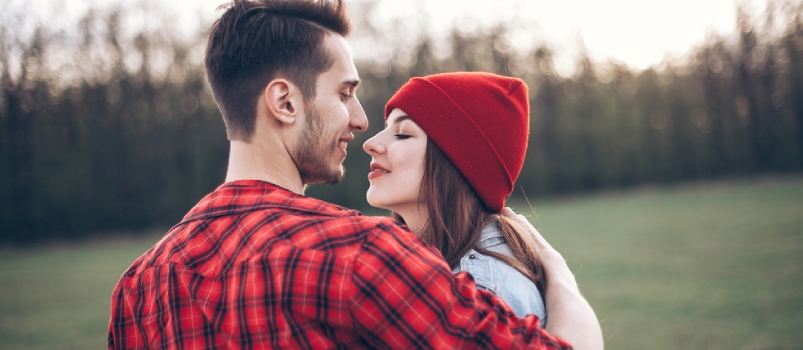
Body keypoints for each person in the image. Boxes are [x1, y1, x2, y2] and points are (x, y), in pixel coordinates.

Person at [108, 0, 603, 349]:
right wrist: (559, 278)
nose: (361, 120)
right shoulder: (358, 256)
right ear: (285, 102)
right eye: (345, 93)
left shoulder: (137, 289)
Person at [364, 72, 548, 325]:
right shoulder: (431, 269)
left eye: (403, 133)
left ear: (457, 163)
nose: (370, 143)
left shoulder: (482, 294)